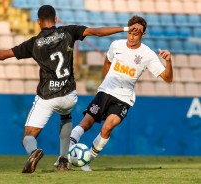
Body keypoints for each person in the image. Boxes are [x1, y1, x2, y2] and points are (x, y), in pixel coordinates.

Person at [0, 5, 143, 173]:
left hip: (47, 96)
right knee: (66, 115)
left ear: (38, 22)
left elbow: (3, 55)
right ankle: (63, 159)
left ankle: (34, 151)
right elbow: (97, 32)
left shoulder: (33, 43)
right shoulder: (68, 32)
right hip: (69, 95)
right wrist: (126, 28)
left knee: (27, 136)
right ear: (55, 19)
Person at [69, 16, 173, 171]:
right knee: (86, 123)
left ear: (143, 35)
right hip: (105, 92)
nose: (132, 37)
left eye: (136, 34)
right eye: (130, 32)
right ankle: (67, 152)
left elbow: (167, 78)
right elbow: (107, 61)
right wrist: (106, 82)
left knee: (107, 128)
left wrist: (169, 61)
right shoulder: (116, 45)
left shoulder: (148, 55)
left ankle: (87, 160)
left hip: (124, 98)